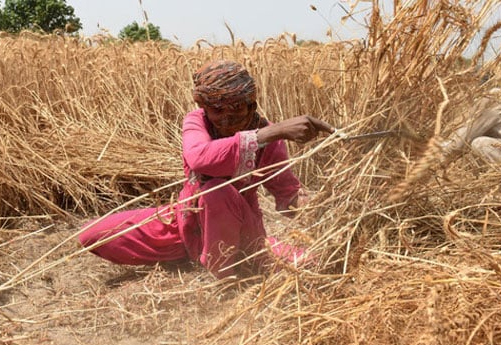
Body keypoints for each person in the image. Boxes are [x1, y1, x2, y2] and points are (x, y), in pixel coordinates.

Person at [78, 60, 335, 279]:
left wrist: (325, 209)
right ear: (204, 108)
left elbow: (287, 193)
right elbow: (199, 158)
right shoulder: (198, 121)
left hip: (242, 237)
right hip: (186, 224)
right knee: (93, 235)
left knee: (217, 192)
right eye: (217, 109)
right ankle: (195, 254)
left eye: (236, 107)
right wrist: (274, 131)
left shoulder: (269, 139)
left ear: (251, 104)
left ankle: (226, 272)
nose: (226, 117)